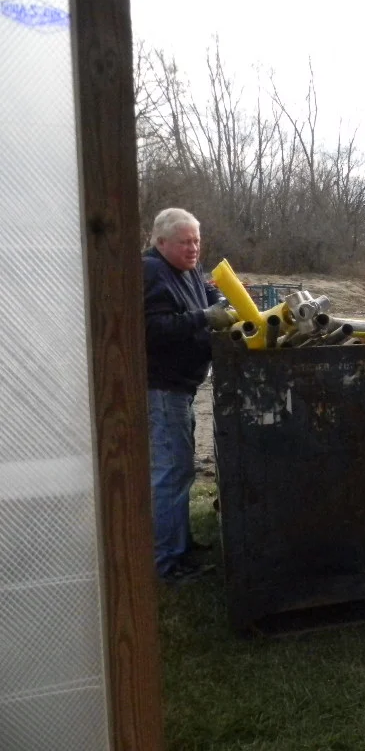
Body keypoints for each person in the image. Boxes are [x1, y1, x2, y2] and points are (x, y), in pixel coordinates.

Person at [143, 208, 235, 582]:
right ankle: (168, 564)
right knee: (172, 472)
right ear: (161, 242)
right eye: (185, 242)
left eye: (197, 240)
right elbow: (151, 328)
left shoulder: (187, 269)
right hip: (163, 387)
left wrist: (218, 300)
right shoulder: (150, 271)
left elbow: (203, 296)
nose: (193, 247)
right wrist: (204, 318)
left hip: (182, 386)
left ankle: (180, 546)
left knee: (181, 471)